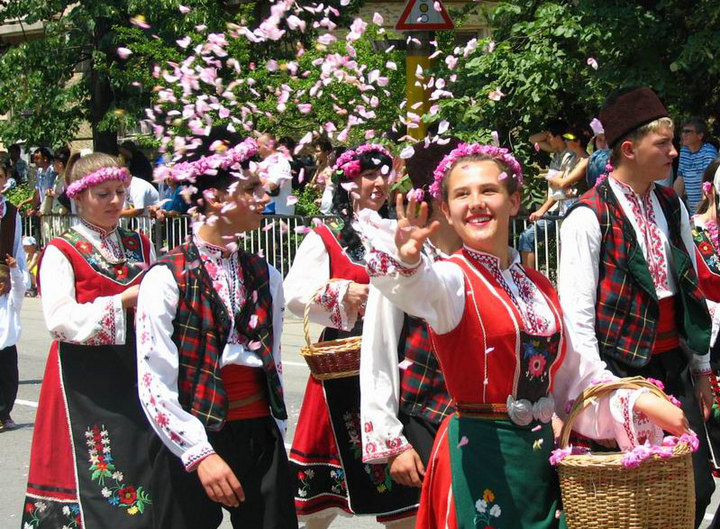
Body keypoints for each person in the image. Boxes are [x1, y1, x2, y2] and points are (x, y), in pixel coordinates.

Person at [362, 141, 690, 529]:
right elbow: (419, 289)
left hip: (537, 458)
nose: (476, 203)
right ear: (447, 212)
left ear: (514, 201)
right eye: (462, 195)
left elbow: (573, 376)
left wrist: (635, 400)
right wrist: (409, 260)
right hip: (479, 455)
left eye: (489, 190)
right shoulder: (453, 277)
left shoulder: (538, 287)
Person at [559, 87, 715, 528]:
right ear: (629, 148)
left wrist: (701, 370)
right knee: (631, 498)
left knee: (695, 487)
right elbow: (577, 318)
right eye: (662, 144)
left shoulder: (671, 204)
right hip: (619, 368)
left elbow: (691, 291)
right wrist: (609, 391)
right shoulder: (588, 216)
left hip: (673, 363)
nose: (673, 152)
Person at [136, 128, 297, 529]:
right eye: (252, 189)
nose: (264, 197)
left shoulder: (266, 273)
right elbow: (153, 379)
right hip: (190, 433)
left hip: (258, 433)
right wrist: (198, 452)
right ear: (215, 198)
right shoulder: (166, 277)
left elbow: (272, 361)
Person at [285, 144, 418, 528]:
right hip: (343, 364)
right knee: (322, 504)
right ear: (348, 182)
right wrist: (342, 291)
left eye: (383, 175)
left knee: (403, 492)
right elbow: (295, 293)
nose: (377, 183)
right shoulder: (326, 237)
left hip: (396, 360)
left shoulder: (399, 232)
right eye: (367, 175)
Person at [21, 152, 155, 528]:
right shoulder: (61, 251)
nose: (115, 201)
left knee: (140, 465)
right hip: (83, 378)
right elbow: (59, 319)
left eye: (120, 192)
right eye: (103, 194)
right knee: (95, 470)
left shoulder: (140, 245)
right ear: (78, 197)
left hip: (134, 371)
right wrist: (123, 301)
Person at [359, 140, 460, 500]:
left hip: (475, 421)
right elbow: (379, 347)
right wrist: (393, 441)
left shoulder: (481, 255)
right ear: (436, 202)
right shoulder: (400, 258)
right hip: (422, 417)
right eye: (458, 193)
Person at [519, 120, 578, 268]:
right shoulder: (556, 153)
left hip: (562, 208)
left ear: (559, 137)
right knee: (526, 238)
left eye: (551, 137)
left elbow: (563, 188)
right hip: (554, 209)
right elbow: (533, 140)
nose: (548, 140)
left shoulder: (570, 155)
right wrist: (548, 133)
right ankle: (529, 281)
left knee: (564, 247)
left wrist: (541, 210)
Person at [0, 166, 29, 432]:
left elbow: (18, 249)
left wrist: (18, 272)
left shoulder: (11, 212)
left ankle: (4, 411)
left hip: (3, 285)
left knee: (6, 348)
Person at [674, 117, 718, 213]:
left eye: (688, 132)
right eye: (683, 131)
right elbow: (680, 179)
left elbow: (708, 182)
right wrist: (672, 204)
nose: (683, 135)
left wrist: (702, 212)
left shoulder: (708, 151)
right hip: (691, 211)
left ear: (700, 135)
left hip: (707, 209)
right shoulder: (684, 151)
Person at [258, 133, 294, 216]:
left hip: (278, 212)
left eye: (259, 147)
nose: (257, 150)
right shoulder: (264, 163)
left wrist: (253, 179)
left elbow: (272, 186)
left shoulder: (281, 161)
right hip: (265, 211)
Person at [18, 148, 57, 216]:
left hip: (52, 208)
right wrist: (33, 209)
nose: (35, 161)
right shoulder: (39, 171)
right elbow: (37, 193)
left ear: (45, 159)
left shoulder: (52, 170)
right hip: (43, 210)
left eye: (37, 158)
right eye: (34, 158)